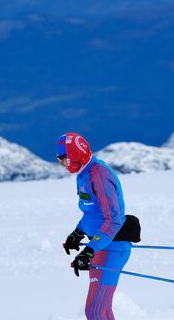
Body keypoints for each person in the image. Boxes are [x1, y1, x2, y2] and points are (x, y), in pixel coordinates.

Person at [58, 132, 133, 320]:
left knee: (95, 310)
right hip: (101, 246)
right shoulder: (83, 173)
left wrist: (90, 250)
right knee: (101, 310)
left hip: (112, 247)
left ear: (75, 154)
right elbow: (92, 213)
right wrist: (77, 233)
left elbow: (113, 219)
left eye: (65, 159)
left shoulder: (98, 174)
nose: (64, 165)